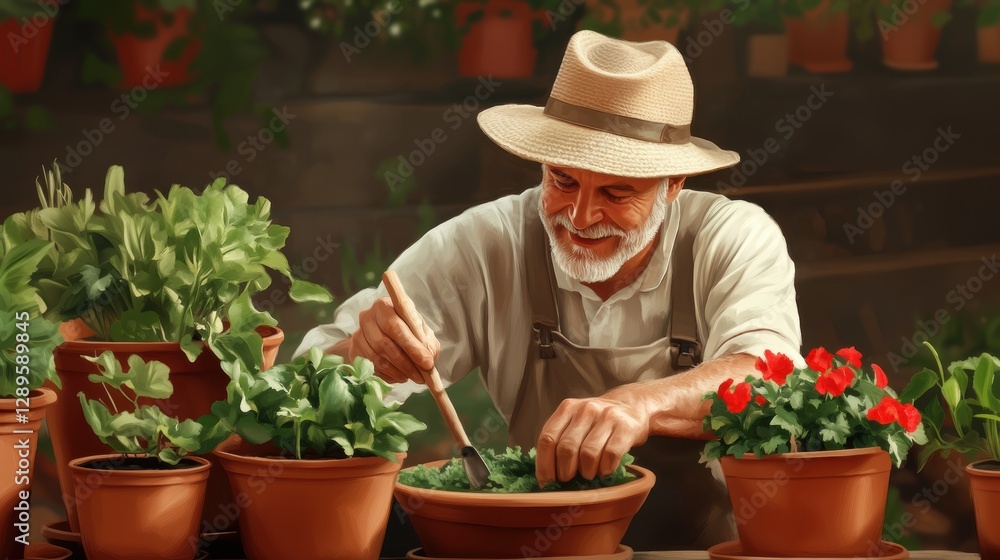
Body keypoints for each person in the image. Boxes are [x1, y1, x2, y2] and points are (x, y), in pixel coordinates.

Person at [296, 29, 802, 550]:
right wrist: (360, 356)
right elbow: (303, 381)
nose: (580, 217)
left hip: (701, 551)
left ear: (674, 184)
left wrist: (639, 405)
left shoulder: (730, 237)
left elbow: (770, 376)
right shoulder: (486, 244)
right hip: (544, 546)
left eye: (616, 192)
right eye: (563, 181)